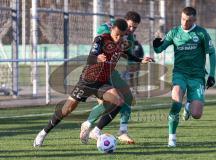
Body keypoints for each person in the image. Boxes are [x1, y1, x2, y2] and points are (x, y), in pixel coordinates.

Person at [33, 18, 152, 147]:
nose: (118, 38)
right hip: (87, 81)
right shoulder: (101, 39)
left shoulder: (122, 43)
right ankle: (43, 133)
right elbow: (89, 58)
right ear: (111, 29)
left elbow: (127, 55)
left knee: (119, 101)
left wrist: (140, 60)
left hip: (103, 83)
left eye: (121, 35)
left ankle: (94, 130)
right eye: (116, 34)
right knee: (66, 110)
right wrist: (97, 58)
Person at [153, 7, 216, 147]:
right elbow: (159, 49)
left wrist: (212, 74)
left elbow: (211, 53)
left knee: (197, 114)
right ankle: (172, 139)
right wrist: (156, 45)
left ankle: (188, 105)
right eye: (182, 19)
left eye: (187, 20)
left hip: (197, 76)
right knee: (175, 101)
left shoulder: (201, 33)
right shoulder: (174, 32)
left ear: (194, 20)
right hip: (179, 74)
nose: (184, 23)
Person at [80, 11, 144, 144]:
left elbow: (126, 54)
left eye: (135, 27)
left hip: (112, 71)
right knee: (111, 102)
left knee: (127, 98)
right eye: (130, 26)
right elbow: (99, 40)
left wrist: (138, 61)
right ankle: (88, 124)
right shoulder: (108, 28)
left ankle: (121, 132)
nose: (131, 30)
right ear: (124, 21)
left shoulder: (129, 37)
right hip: (98, 71)